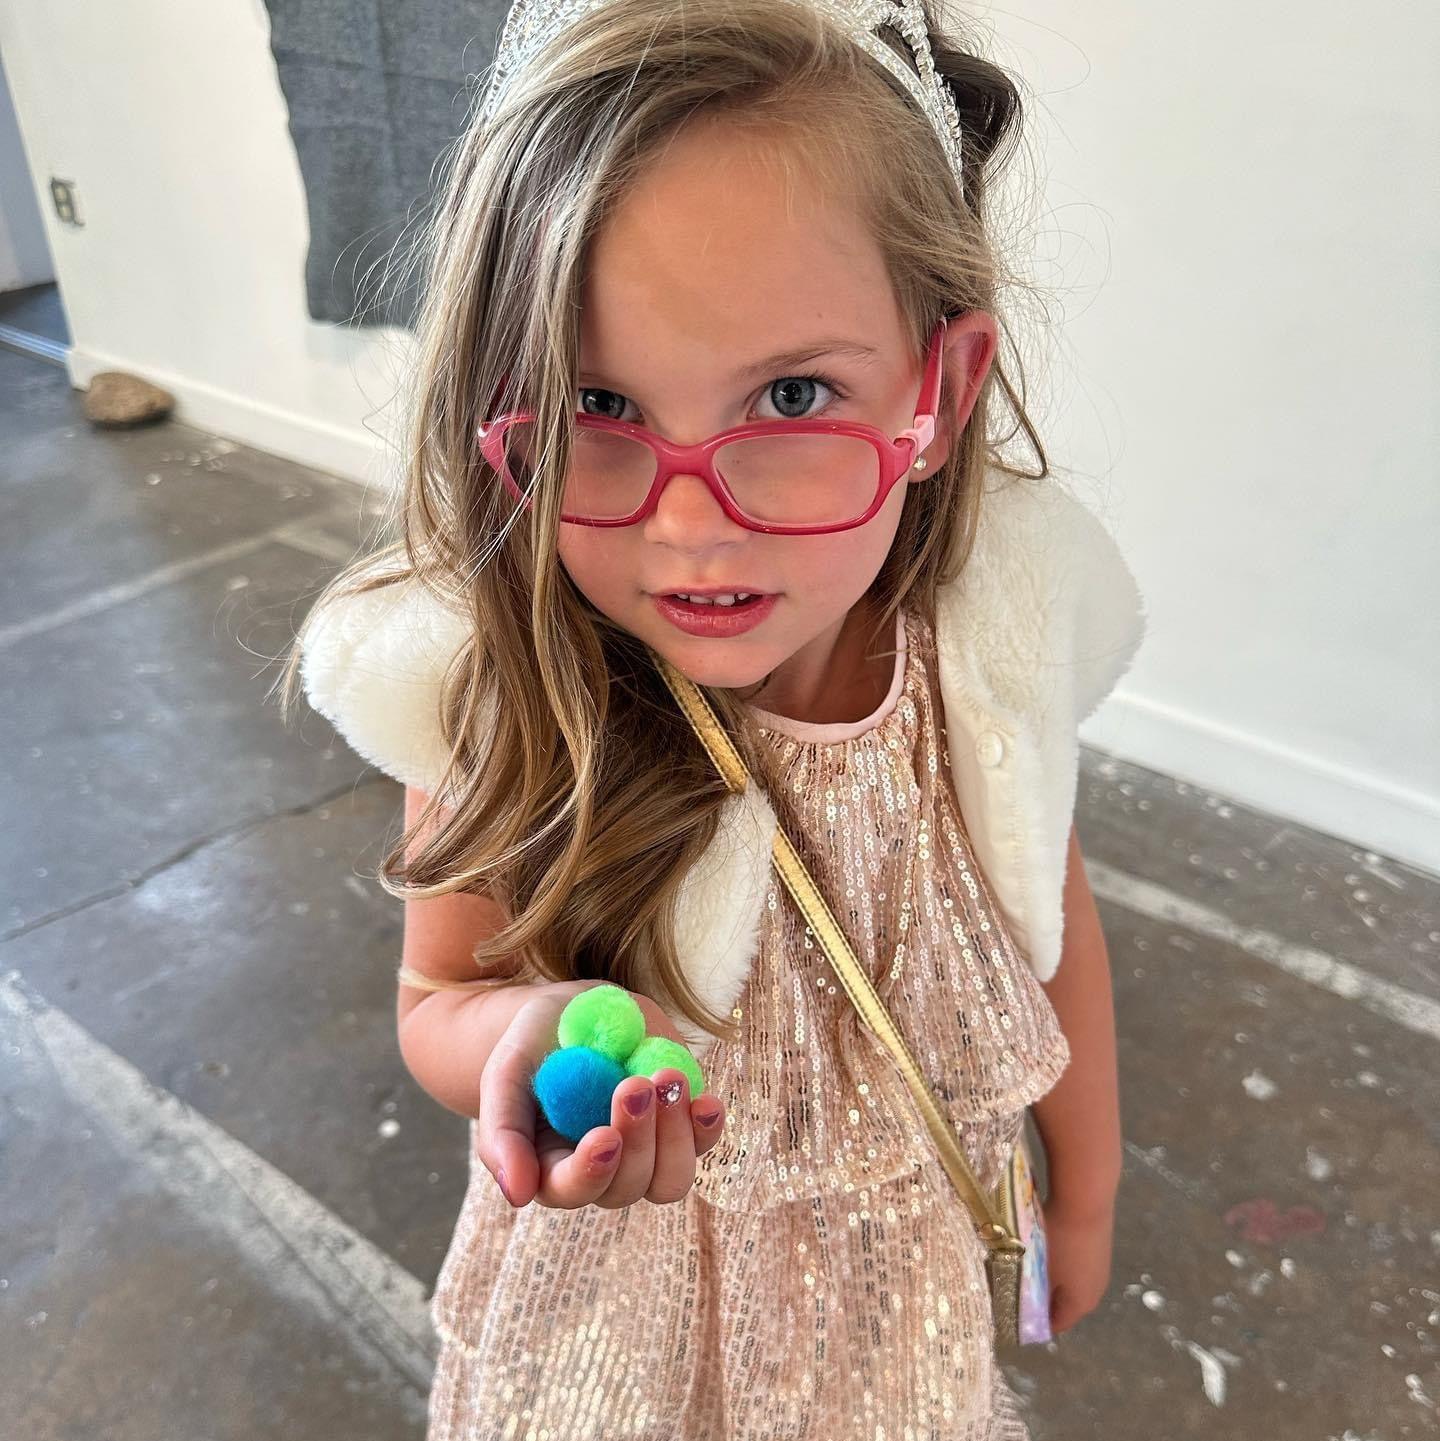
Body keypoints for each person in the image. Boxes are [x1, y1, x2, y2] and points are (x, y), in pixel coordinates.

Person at [279, 0, 1147, 1434]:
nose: (689, 530)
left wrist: (1090, 1192)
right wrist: (520, 1030)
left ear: (941, 392)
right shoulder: (513, 694)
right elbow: (437, 998)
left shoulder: (976, 679)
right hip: (612, 1332)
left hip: (890, 1317)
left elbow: (1052, 935)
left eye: (792, 394)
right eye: (596, 406)